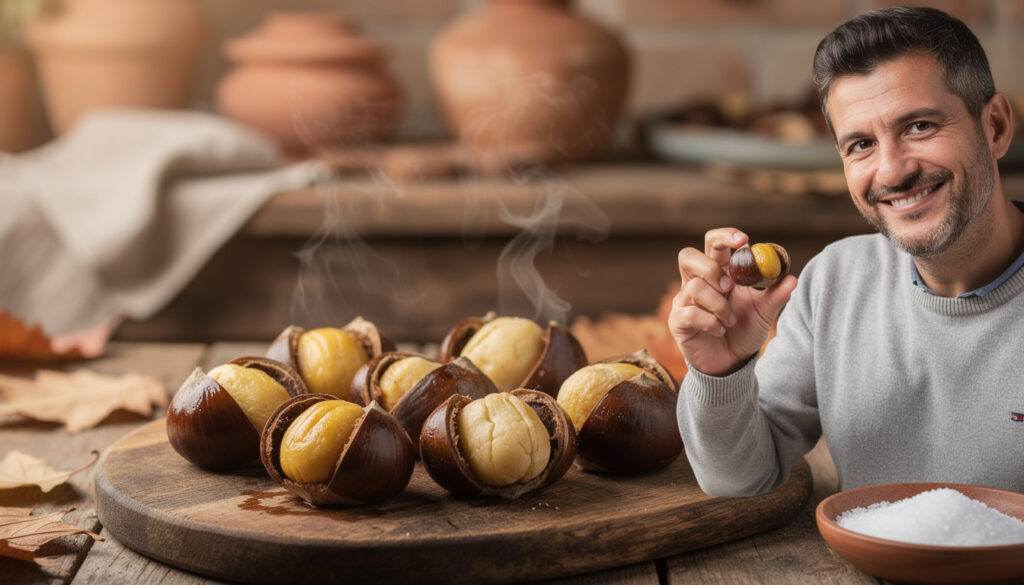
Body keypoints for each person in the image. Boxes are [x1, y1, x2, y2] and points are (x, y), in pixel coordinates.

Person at [669, 6, 1024, 496]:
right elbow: (740, 477)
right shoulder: (835, 281)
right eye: (860, 145)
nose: (892, 171)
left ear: (996, 127)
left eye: (919, 126)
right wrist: (721, 371)